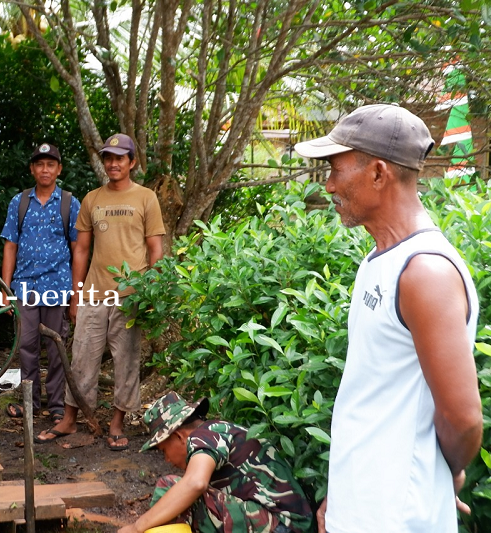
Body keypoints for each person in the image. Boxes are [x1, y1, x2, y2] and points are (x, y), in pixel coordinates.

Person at [293, 103, 483, 532]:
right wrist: (342, 497)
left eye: (336, 170)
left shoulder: (425, 272)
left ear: (378, 174)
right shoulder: (380, 259)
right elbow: (374, 395)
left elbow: (464, 418)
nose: (328, 185)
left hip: (396, 516)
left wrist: (442, 471)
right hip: (363, 507)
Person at [36, 133, 165, 451]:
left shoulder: (146, 198)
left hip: (130, 294)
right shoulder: (92, 199)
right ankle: (69, 419)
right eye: (108, 157)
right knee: (81, 358)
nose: (113, 163)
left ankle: (117, 424)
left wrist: (151, 294)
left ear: (132, 162)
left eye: (120, 158)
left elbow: (155, 250)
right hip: (93, 293)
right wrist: (75, 294)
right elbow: (81, 250)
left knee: (126, 360)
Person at [119, 392, 313, 533]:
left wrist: (137, 527)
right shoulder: (220, 430)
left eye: (164, 451)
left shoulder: (204, 436)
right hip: (286, 523)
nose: (167, 459)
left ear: (179, 436)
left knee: (171, 486)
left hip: (281, 525)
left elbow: (195, 483)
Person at [0, 143, 80, 423]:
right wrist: (4, 287)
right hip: (24, 287)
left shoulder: (70, 203)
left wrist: (76, 294)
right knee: (27, 346)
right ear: (32, 169)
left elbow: (78, 248)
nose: (45, 169)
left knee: (56, 347)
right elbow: (10, 246)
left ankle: (57, 405)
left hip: (58, 286)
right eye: (39, 164)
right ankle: (30, 402)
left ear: (59, 169)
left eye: (50, 165)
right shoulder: (19, 202)